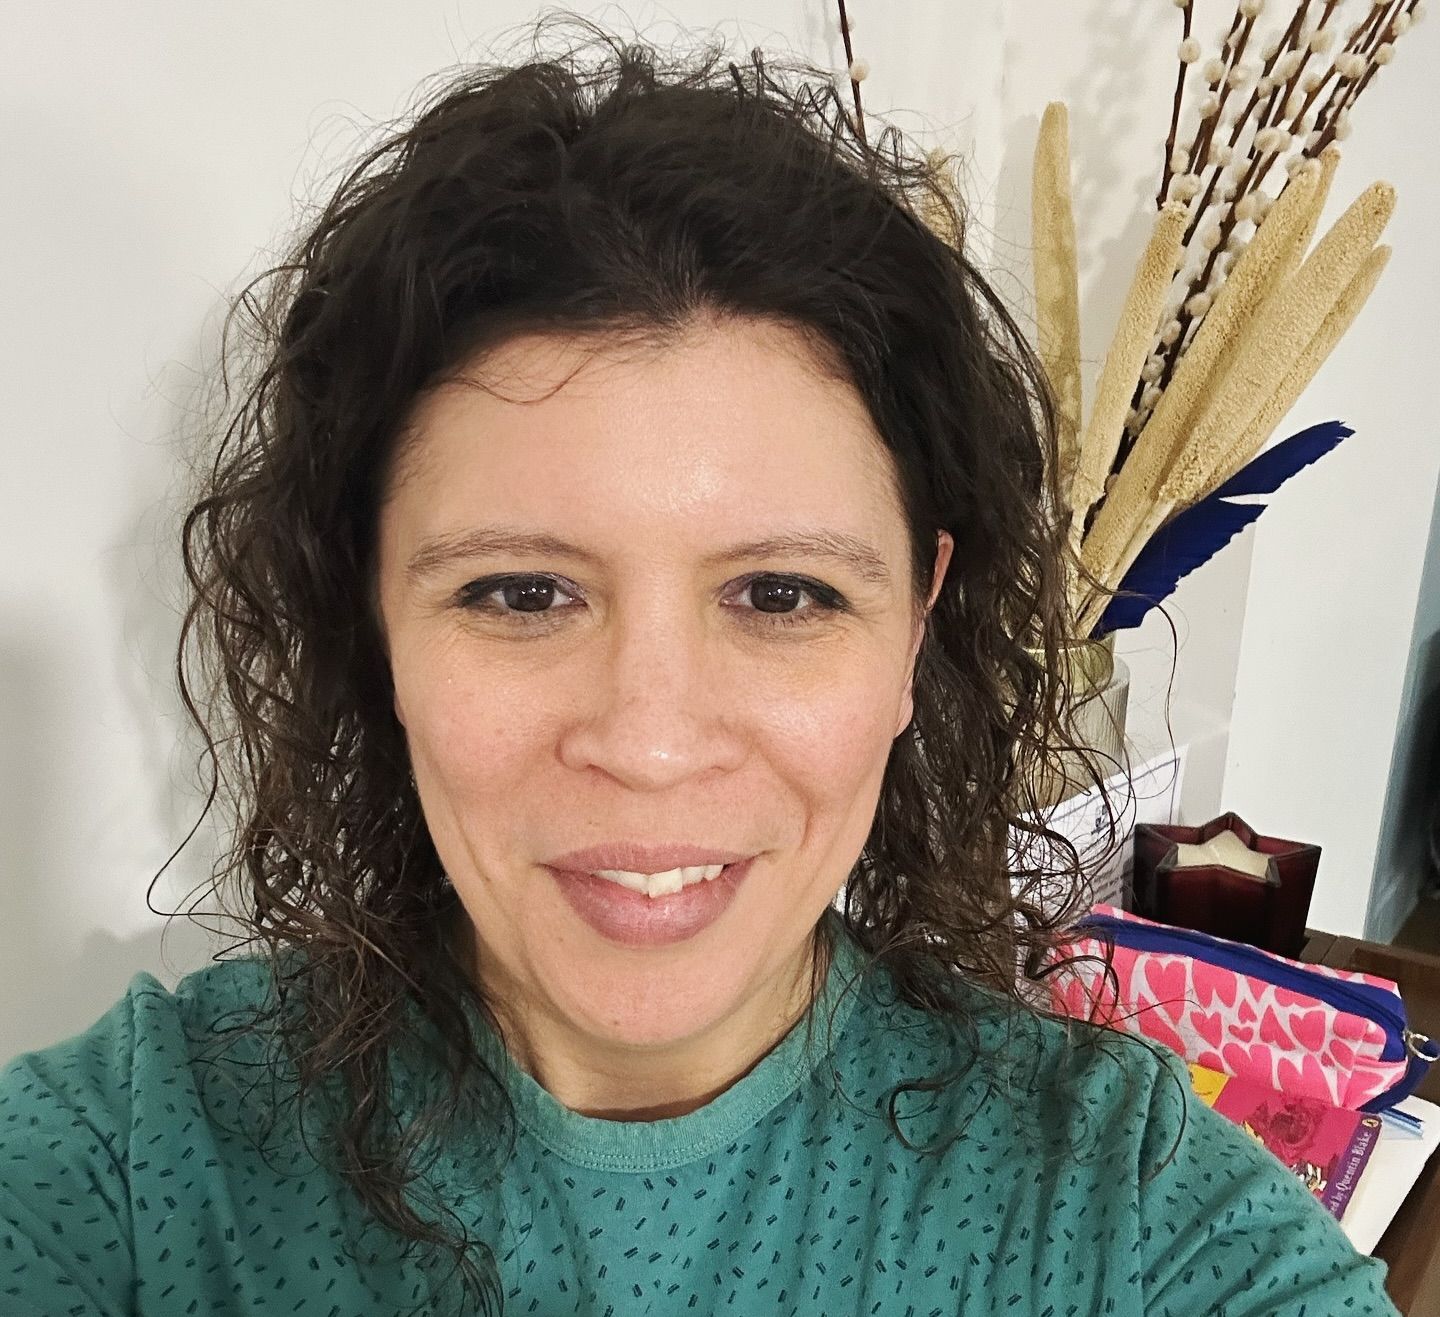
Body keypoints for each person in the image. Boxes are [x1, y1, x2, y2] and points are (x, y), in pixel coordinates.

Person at [0, 15, 1400, 1317]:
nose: (651, 742)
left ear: (915, 628)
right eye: (521, 592)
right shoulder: (132, 1164)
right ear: (373, 623)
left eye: (782, 593)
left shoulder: (1126, 1214)